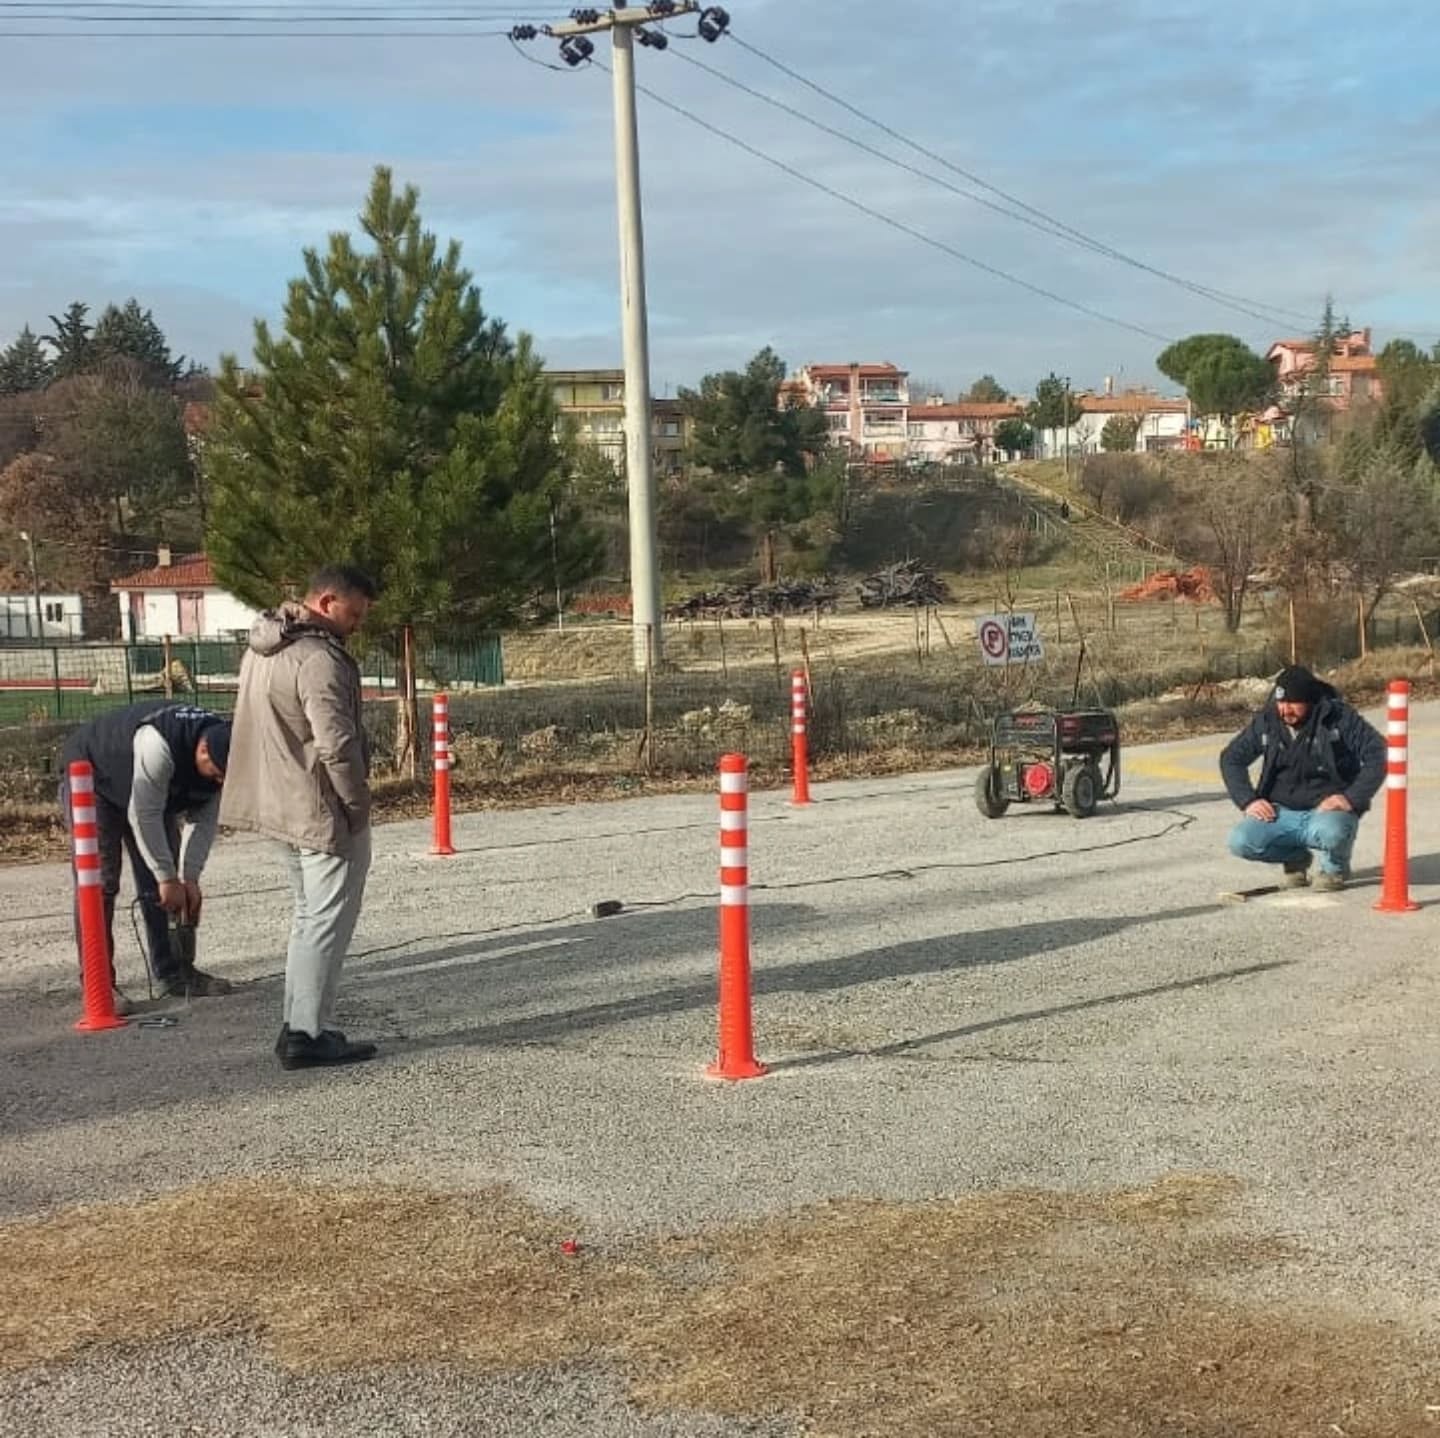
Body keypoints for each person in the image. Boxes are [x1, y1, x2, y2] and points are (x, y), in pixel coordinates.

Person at [221, 565, 380, 1070]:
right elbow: (336, 744)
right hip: (317, 806)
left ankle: (298, 1023)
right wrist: (356, 807)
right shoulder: (318, 660)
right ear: (328, 601)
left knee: (307, 917)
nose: (357, 624)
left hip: (275, 802)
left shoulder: (263, 647)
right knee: (326, 921)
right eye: (354, 613)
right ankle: (309, 1033)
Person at [59, 702, 234, 1011]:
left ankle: (175, 973)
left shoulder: (224, 753)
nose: (219, 783)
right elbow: (144, 813)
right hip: (94, 776)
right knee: (99, 883)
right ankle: (98, 985)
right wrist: (167, 876)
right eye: (217, 775)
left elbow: (204, 822)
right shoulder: (159, 744)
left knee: (166, 889)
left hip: (152, 791)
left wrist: (188, 878)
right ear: (203, 752)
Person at [1220, 664, 1384, 892]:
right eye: (1280, 702)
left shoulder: (1338, 717)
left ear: (1310, 699)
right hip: (1280, 811)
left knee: (1333, 832)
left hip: (1326, 812)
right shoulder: (1268, 720)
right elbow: (1231, 758)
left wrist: (1351, 798)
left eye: (1293, 703)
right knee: (1240, 841)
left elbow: (1378, 752)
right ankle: (1296, 859)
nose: (1285, 710)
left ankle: (1334, 869)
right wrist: (1248, 800)